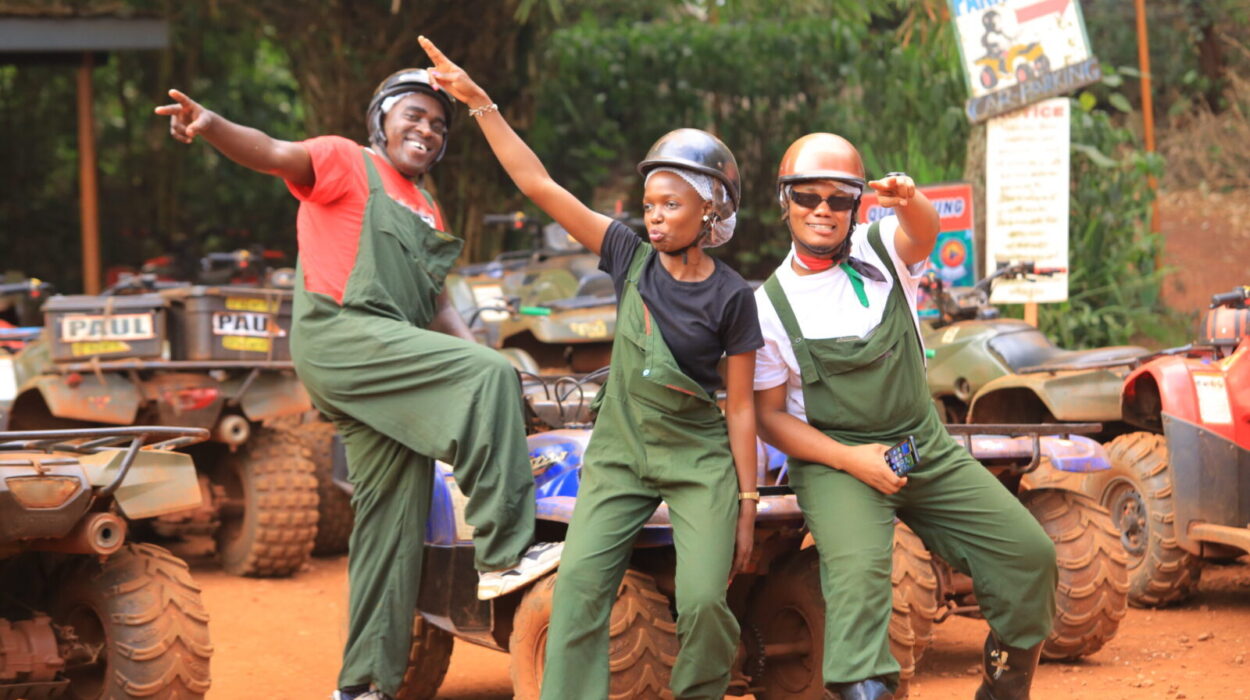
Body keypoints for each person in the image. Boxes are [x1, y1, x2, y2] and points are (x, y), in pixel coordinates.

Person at [155, 70, 559, 700]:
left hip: (392, 354)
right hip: (343, 335)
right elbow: (271, 152)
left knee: (392, 516)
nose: (425, 130)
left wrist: (484, 356)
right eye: (413, 116)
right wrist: (212, 127)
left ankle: (364, 685)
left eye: (437, 125)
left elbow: (439, 307)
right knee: (484, 379)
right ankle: (505, 552)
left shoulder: (428, 207)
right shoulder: (346, 161)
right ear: (381, 119)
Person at [419, 36, 763, 700]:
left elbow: (742, 406)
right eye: (650, 202)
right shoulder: (626, 255)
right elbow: (538, 184)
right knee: (576, 593)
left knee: (702, 605)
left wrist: (747, 506)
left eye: (670, 204)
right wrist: (482, 104)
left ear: (710, 211)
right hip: (620, 456)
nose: (652, 215)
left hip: (699, 464)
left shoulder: (733, 297)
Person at [751, 133, 1057, 700]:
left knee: (1027, 555)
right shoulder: (769, 305)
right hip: (835, 462)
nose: (822, 210)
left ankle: (1002, 690)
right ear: (784, 201)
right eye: (806, 196)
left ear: (855, 206)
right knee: (861, 584)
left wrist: (910, 197)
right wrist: (851, 460)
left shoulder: (878, 250)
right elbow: (770, 418)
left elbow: (924, 232)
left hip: (920, 447)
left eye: (838, 199)